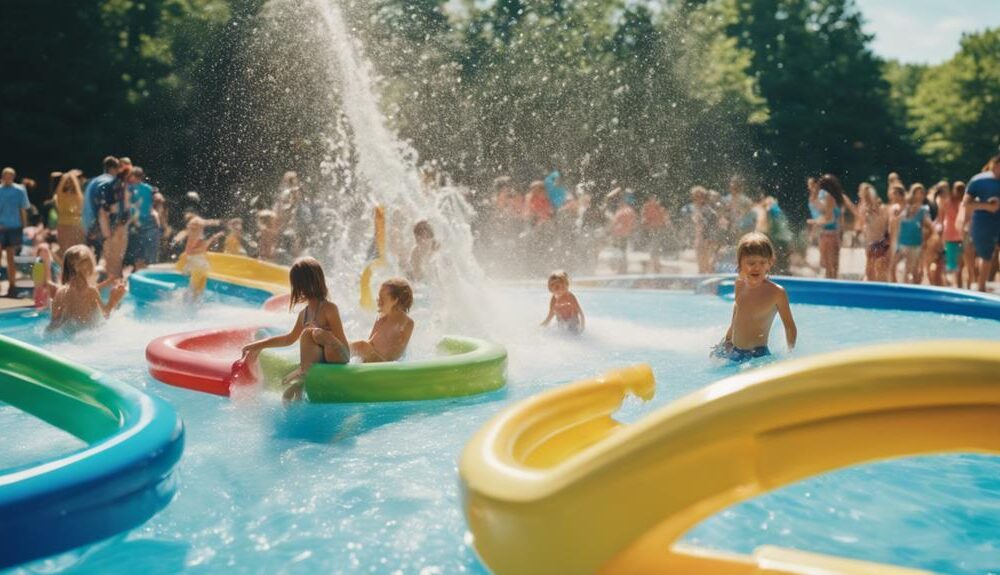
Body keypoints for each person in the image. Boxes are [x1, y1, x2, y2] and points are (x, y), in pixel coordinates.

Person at [241, 257, 349, 402]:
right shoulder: (303, 314)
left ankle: (302, 377)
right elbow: (288, 339)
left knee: (312, 333)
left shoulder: (329, 309)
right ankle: (303, 378)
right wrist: (257, 345)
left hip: (337, 357)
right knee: (307, 334)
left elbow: (343, 347)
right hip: (318, 365)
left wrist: (321, 334)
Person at [712, 232, 796, 363]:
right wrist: (726, 341)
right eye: (751, 263)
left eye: (762, 263)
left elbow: (790, 327)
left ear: (770, 263)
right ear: (740, 263)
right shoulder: (739, 284)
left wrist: (790, 355)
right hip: (734, 350)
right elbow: (737, 315)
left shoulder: (776, 292)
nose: (757, 267)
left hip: (757, 355)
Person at [48, 245, 126, 332]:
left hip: (68, 335)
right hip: (87, 336)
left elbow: (53, 323)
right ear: (89, 268)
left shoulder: (61, 292)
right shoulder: (92, 292)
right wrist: (113, 300)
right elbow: (106, 314)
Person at [350, 278, 415, 363]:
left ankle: (340, 354)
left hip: (385, 364)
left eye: (382, 299)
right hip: (372, 359)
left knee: (362, 346)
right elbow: (371, 341)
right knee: (359, 345)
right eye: (378, 298)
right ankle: (338, 353)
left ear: (395, 300)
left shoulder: (406, 322)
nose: (378, 302)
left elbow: (398, 355)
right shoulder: (380, 319)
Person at [963, 154, 1000, 292]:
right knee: (985, 256)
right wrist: (987, 206)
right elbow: (966, 204)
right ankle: (981, 288)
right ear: (994, 165)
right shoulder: (978, 181)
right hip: (983, 223)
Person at [891, 184, 933, 284]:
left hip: (914, 244)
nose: (920, 196)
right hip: (901, 243)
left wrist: (924, 240)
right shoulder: (905, 208)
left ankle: (909, 294)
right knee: (892, 267)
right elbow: (896, 224)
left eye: (922, 193)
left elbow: (931, 228)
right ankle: (896, 290)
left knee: (909, 272)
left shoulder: (923, 211)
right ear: (913, 194)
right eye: (918, 193)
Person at [809, 174, 847, 279]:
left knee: (829, 267)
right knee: (831, 266)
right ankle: (834, 289)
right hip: (831, 235)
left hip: (828, 235)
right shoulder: (836, 198)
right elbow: (838, 220)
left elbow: (830, 219)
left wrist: (816, 222)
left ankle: (831, 289)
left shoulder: (828, 197)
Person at [98, 161, 131, 279]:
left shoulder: (115, 185)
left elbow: (107, 206)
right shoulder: (118, 185)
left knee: (115, 253)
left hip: (116, 221)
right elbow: (114, 207)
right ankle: (115, 278)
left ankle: (114, 277)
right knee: (116, 253)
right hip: (117, 222)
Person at [0, 167, 30, 297]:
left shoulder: (19, 190)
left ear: (13, 177)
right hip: (1, 227)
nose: (8, 178)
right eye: (5, 175)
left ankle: (12, 286)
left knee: (11, 258)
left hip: (14, 227)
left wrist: (24, 226)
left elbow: (23, 209)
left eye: (10, 176)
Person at [183, 217, 225, 298]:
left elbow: (206, 222)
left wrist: (214, 236)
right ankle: (190, 302)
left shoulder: (197, 233)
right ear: (197, 227)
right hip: (196, 261)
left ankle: (192, 302)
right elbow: (189, 251)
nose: (203, 227)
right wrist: (205, 245)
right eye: (201, 226)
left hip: (198, 260)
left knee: (198, 286)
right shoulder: (194, 235)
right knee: (195, 286)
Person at [126, 166, 159, 270]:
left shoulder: (130, 189)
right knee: (148, 252)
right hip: (149, 222)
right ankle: (148, 272)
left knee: (137, 252)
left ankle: (138, 272)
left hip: (135, 223)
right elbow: (156, 202)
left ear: (134, 176)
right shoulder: (149, 188)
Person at [857, 183, 890, 282]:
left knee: (878, 270)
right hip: (870, 243)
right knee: (871, 270)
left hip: (878, 242)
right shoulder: (864, 208)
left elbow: (883, 224)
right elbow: (861, 222)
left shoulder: (880, 208)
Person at [54, 170, 86, 252]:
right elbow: (58, 191)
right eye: (67, 182)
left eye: (70, 182)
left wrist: (72, 178)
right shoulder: (60, 196)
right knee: (64, 251)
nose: (69, 184)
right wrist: (66, 177)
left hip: (76, 227)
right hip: (64, 226)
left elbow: (79, 192)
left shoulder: (78, 196)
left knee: (77, 252)